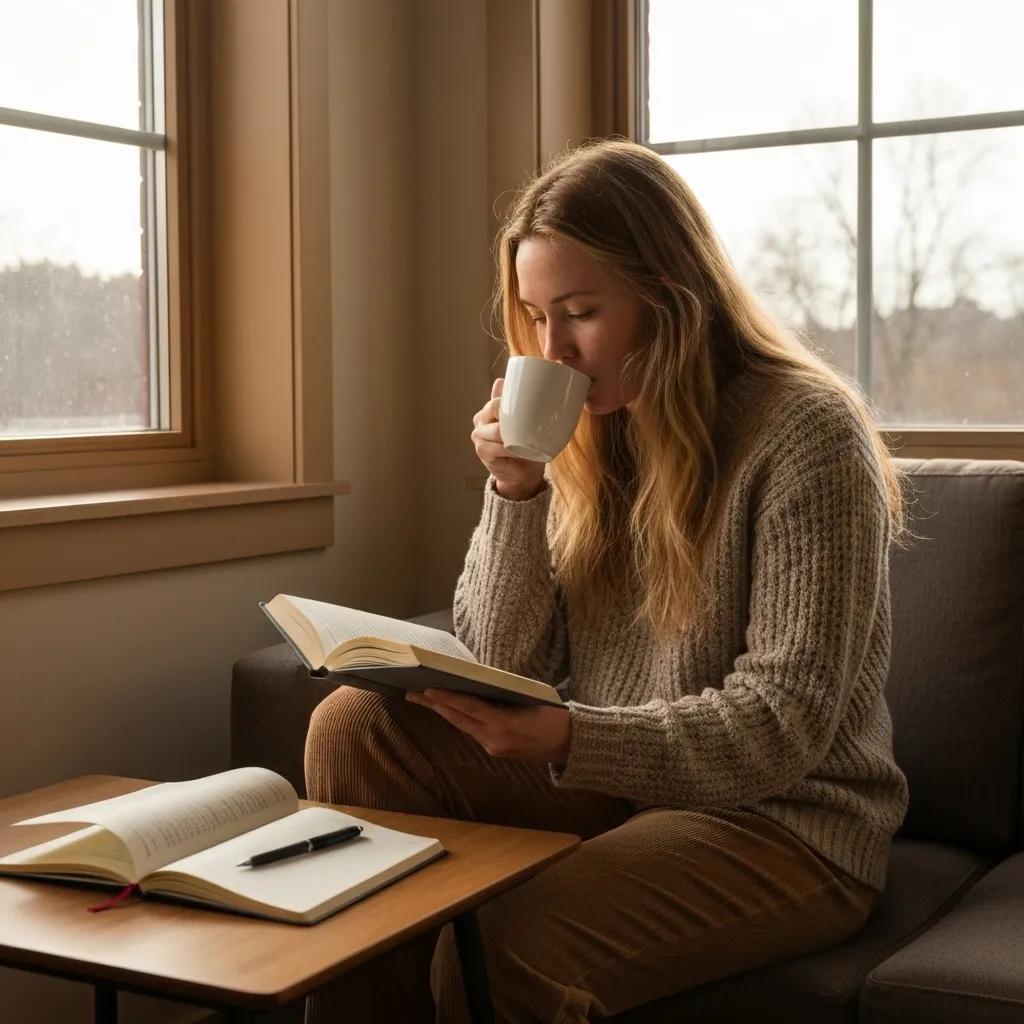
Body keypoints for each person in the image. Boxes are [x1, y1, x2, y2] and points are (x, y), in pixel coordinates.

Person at [303, 138, 910, 1024]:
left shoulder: (807, 435)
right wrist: (516, 488)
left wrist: (565, 738)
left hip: (785, 820)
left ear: (669, 298)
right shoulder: (591, 429)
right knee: (356, 725)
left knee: (506, 943)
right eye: (535, 317)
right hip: (625, 784)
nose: (555, 350)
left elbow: (784, 726)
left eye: (580, 312)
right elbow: (499, 654)